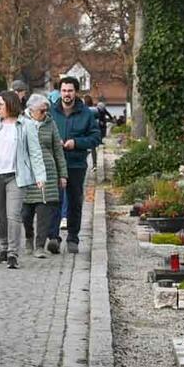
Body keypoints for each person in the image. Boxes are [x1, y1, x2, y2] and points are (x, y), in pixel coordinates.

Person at [0, 90, 45, 269]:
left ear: (11, 105)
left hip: (15, 176)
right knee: (0, 216)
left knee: (13, 215)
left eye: (1, 105)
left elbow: (35, 152)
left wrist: (40, 175)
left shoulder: (26, 125)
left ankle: (13, 253)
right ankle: (4, 247)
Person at [48, 76, 101, 254]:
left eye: (70, 91)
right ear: (59, 92)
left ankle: (72, 238)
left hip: (76, 163)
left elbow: (95, 137)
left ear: (76, 92)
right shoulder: (51, 112)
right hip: (55, 164)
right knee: (54, 201)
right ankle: (53, 237)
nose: (67, 94)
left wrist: (76, 143)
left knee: (74, 201)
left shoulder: (86, 113)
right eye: (64, 90)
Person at [20, 95, 67, 259]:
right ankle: (29, 236)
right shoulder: (21, 123)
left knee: (44, 212)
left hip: (48, 173)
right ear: (31, 110)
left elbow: (58, 151)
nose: (45, 113)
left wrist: (63, 174)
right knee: (25, 213)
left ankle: (40, 246)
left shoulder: (50, 123)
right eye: (41, 110)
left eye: (46, 110)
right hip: (27, 172)